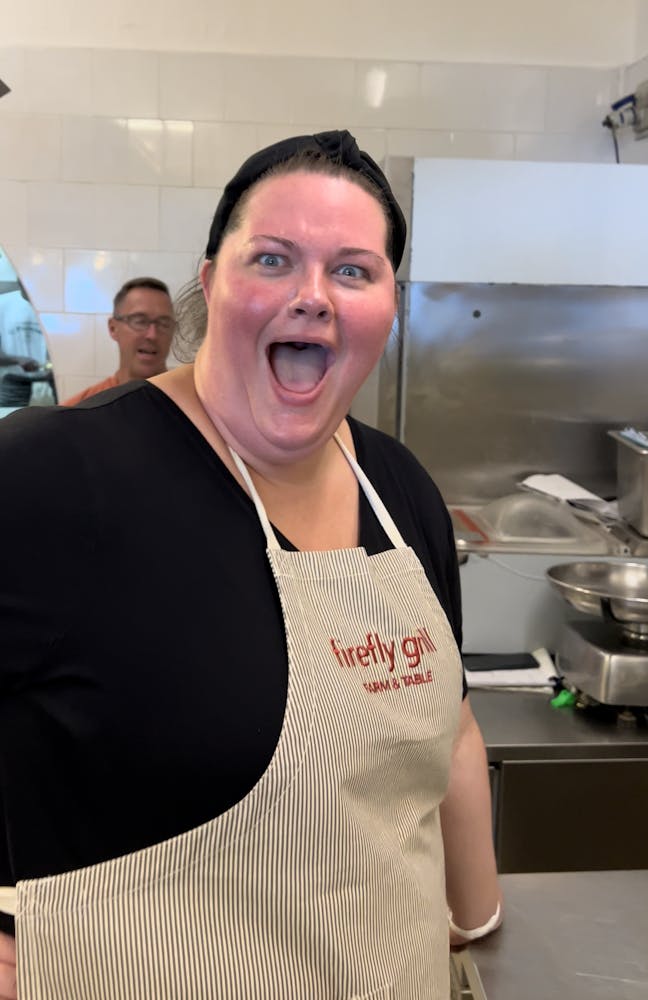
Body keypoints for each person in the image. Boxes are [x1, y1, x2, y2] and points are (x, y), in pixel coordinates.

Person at [0, 130, 501, 999]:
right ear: (210, 283)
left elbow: (450, 729)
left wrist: (481, 930)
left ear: (389, 304)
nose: (312, 296)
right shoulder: (57, 475)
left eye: (353, 270)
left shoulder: (397, 485)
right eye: (272, 259)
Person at [61, 276, 175, 405]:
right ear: (113, 328)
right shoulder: (79, 411)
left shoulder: (193, 405)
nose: (152, 335)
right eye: (139, 321)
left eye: (164, 323)